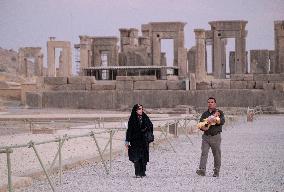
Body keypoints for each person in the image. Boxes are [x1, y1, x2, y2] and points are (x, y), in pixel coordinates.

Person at [196, 97, 225, 177]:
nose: (210, 103)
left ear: (215, 104)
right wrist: (203, 127)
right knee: (204, 153)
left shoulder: (220, 112)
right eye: (208, 102)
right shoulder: (205, 114)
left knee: (216, 154)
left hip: (215, 137)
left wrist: (215, 120)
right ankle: (202, 170)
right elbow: (200, 124)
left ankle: (216, 171)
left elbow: (222, 121)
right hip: (206, 137)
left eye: (212, 102)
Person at [125, 104, 153, 178]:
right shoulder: (132, 119)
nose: (141, 110)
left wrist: (145, 129)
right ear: (136, 110)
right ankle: (137, 173)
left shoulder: (145, 117)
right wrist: (127, 141)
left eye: (142, 109)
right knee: (136, 157)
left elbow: (150, 125)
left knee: (144, 157)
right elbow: (129, 130)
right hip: (135, 141)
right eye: (139, 109)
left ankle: (143, 172)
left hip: (144, 141)